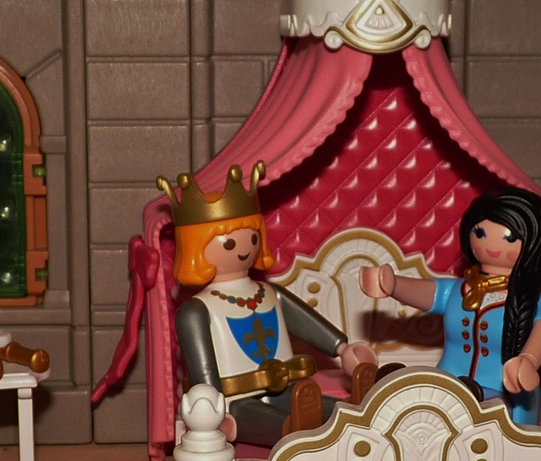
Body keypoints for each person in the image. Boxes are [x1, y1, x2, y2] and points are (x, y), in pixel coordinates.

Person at [158, 160, 377, 446]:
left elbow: (305, 321)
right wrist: (213, 410)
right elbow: (203, 369)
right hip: (234, 402)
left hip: (285, 387)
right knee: (263, 419)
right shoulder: (196, 311)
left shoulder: (269, 293)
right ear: (195, 248)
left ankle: (350, 412)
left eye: (252, 238)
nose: (244, 248)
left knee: (318, 404)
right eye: (230, 244)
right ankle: (296, 430)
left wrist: (342, 348)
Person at [359, 187, 541, 424]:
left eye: (509, 238)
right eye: (480, 233)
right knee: (412, 398)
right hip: (448, 384)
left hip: (507, 396)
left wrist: (526, 363)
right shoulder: (458, 290)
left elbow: (540, 341)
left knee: (470, 412)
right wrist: (392, 285)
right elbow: (427, 291)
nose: (491, 245)